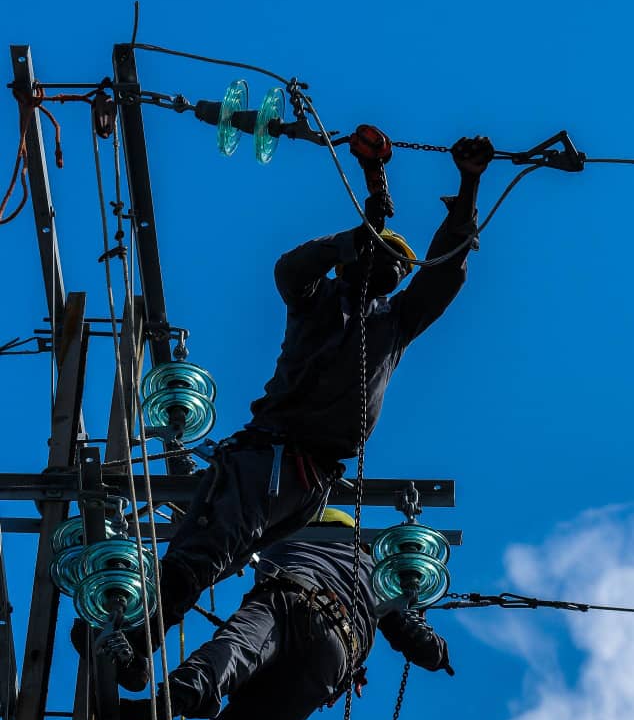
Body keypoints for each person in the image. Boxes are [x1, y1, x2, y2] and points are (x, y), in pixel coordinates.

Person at [89, 134, 492, 691]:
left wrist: (470, 183)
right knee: (208, 549)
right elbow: (290, 269)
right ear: (357, 263)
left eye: (399, 265)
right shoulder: (316, 302)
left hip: (307, 484)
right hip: (271, 456)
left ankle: (134, 633)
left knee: (219, 555)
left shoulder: (394, 326)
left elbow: (445, 273)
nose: (393, 269)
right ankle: (131, 634)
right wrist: (354, 234)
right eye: (386, 257)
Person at [120, 510, 453, 720]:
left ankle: (170, 702)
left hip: (285, 597)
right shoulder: (375, 571)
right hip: (334, 648)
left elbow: (215, 549)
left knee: (234, 653)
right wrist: (440, 654)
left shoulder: (278, 534)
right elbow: (417, 641)